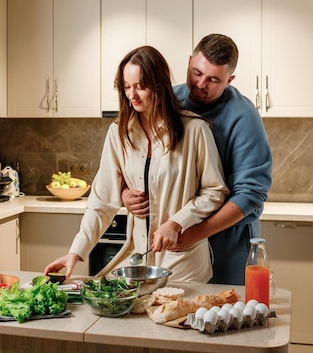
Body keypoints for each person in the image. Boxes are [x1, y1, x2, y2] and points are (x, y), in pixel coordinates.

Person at [44, 45, 228, 283]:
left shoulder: (195, 129)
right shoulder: (119, 132)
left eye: (141, 86)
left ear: (160, 85)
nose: (133, 95)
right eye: (127, 87)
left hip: (184, 263)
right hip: (137, 260)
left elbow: (215, 191)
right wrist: (76, 251)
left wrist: (176, 223)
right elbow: (101, 201)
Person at [122, 34, 272, 285]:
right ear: (190, 61)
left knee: (221, 315)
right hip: (174, 244)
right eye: (196, 72)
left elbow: (251, 194)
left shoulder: (244, 117)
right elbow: (140, 156)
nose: (201, 83)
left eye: (213, 79)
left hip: (226, 243)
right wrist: (125, 192)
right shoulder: (168, 99)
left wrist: (193, 234)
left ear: (230, 80)